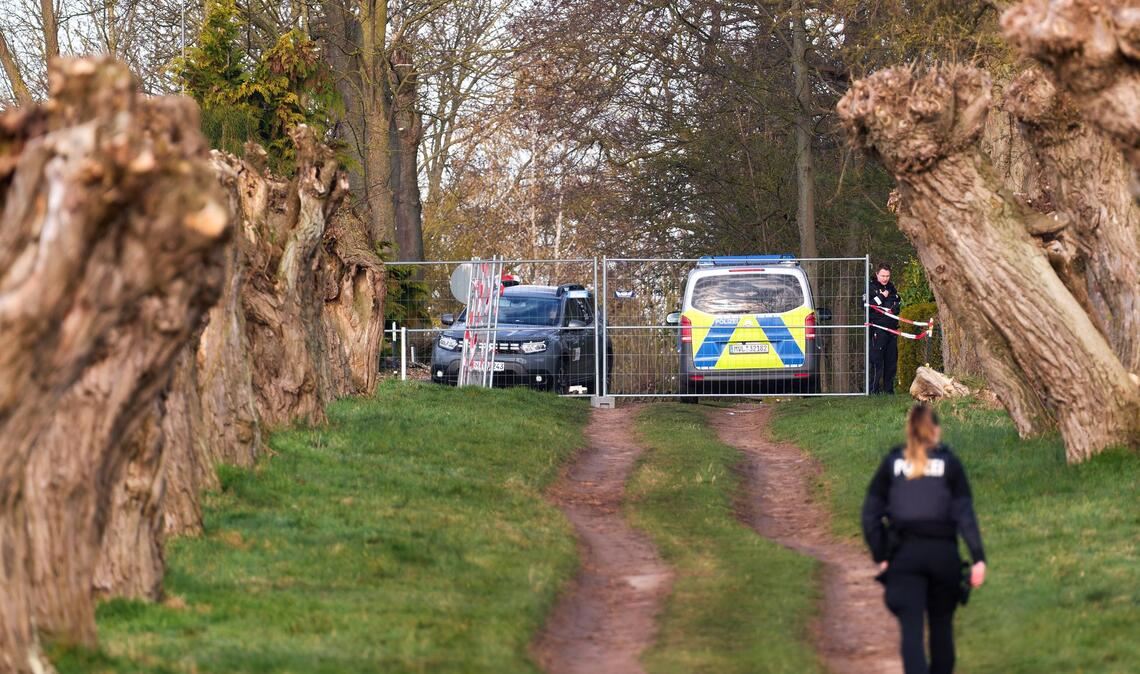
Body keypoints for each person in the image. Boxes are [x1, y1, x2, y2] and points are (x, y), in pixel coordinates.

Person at [862, 404, 987, 674]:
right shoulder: (950, 464)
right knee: (942, 627)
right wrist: (978, 559)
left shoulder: (892, 463)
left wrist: (882, 554)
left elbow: (870, 516)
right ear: (937, 431)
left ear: (909, 431)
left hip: (905, 557)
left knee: (912, 633)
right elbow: (965, 515)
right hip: (944, 557)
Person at [868, 263, 902, 393]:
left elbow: (897, 302)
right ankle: (873, 390)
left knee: (891, 362)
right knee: (877, 361)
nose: (885, 278)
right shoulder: (871, 287)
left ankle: (889, 391)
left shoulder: (891, 288)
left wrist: (894, 307)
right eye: (882, 275)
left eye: (887, 276)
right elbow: (868, 305)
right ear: (877, 274)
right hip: (877, 329)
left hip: (892, 330)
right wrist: (882, 296)